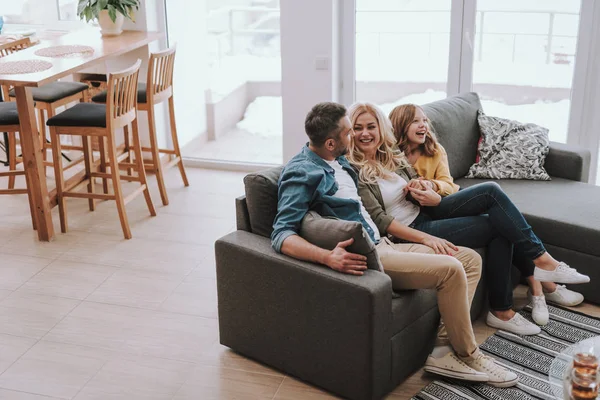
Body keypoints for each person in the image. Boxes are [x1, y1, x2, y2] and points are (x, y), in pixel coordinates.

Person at [271, 101, 518, 387]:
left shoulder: (336, 160)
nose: (354, 138)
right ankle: (470, 353)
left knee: (470, 260)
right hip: (369, 255)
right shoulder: (301, 172)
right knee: (451, 269)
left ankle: (442, 352)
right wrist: (327, 258)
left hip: (385, 242)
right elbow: (281, 234)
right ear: (330, 142)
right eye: (350, 132)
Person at [346, 102, 588, 334]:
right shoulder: (354, 169)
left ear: (380, 128)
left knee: (491, 192)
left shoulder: (388, 154)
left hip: (425, 208)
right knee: (498, 225)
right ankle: (511, 300)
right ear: (349, 132)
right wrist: (427, 238)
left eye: (371, 126)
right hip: (410, 228)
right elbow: (380, 220)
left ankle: (541, 265)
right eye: (358, 128)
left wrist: (422, 187)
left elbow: (413, 179)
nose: (365, 133)